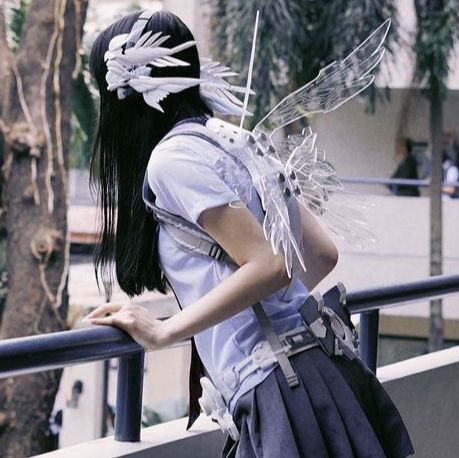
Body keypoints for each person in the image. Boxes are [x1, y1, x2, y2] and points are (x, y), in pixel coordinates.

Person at [84, 9, 415, 457]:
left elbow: (270, 265)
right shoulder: (231, 140)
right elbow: (320, 254)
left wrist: (164, 331)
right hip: (322, 369)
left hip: (279, 388)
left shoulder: (170, 162)